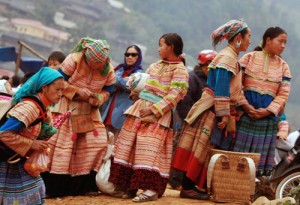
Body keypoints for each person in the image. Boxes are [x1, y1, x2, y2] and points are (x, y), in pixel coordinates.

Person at [172, 19, 251, 200]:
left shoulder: (227, 56)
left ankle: (192, 185)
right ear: (239, 37)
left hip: (212, 106)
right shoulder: (227, 58)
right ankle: (188, 187)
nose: (249, 41)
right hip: (212, 108)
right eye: (248, 37)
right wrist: (223, 113)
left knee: (202, 147)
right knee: (201, 147)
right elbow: (222, 87)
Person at [108, 33, 189, 202]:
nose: (158, 48)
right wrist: (136, 94)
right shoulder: (154, 66)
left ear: (171, 47)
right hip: (139, 110)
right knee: (130, 146)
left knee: (150, 150)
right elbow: (145, 87)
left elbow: (176, 94)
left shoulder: (180, 70)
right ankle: (129, 186)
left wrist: (154, 110)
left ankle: (150, 189)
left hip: (159, 115)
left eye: (161, 45)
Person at [42, 37, 116, 197]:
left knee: (96, 145)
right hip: (66, 108)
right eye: (93, 64)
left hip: (89, 111)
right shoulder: (73, 60)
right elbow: (57, 81)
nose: (96, 67)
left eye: (100, 64)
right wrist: (76, 91)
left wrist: (98, 98)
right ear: (87, 57)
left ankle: (85, 186)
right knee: (62, 147)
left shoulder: (108, 69)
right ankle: (53, 188)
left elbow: (108, 90)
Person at [233, 27, 292, 176]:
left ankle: (253, 191)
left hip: (267, 121)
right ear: (268, 40)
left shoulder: (283, 67)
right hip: (245, 117)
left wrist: (267, 111)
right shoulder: (249, 58)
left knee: (259, 163)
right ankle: (233, 188)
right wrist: (245, 105)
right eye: (281, 41)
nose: (283, 46)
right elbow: (236, 85)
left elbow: (283, 94)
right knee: (238, 157)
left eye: (285, 43)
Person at [0, 67, 64, 205]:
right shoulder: (30, 108)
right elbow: (3, 133)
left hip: (14, 158)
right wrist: (32, 144)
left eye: (62, 90)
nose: (60, 94)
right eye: (57, 89)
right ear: (45, 88)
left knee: (33, 191)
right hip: (5, 159)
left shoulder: (42, 107)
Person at [169, 49, 217, 189]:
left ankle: (186, 182)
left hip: (200, 123)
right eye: (208, 65)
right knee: (181, 150)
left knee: (192, 153)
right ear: (202, 64)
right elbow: (184, 102)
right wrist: (189, 120)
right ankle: (175, 180)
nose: (211, 68)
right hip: (189, 120)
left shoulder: (211, 81)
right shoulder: (192, 78)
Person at [101, 45, 143, 141]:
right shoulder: (120, 69)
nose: (129, 57)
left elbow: (129, 85)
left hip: (122, 114)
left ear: (138, 57)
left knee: (114, 145)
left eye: (133, 54)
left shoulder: (139, 74)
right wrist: (121, 81)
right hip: (109, 110)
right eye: (127, 54)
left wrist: (116, 79)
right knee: (102, 143)